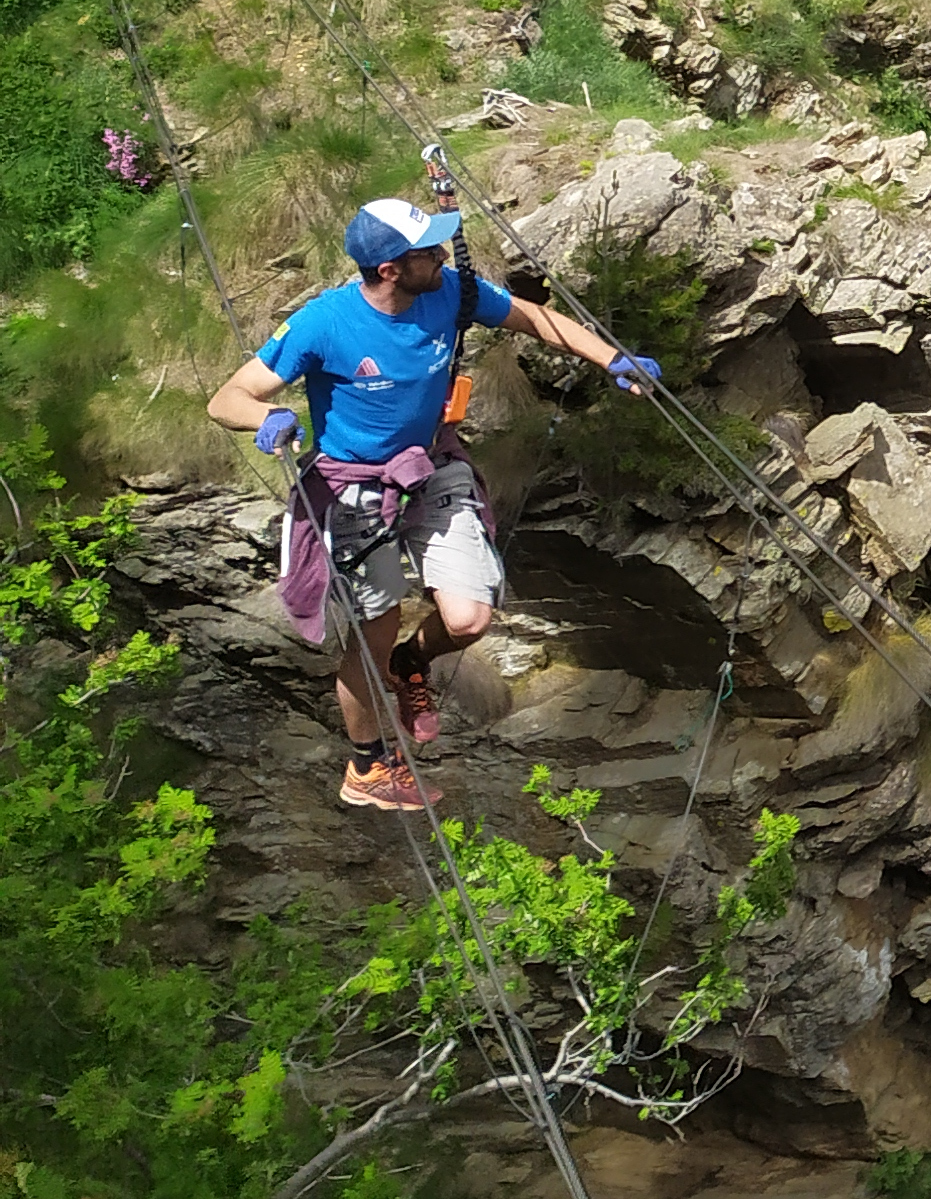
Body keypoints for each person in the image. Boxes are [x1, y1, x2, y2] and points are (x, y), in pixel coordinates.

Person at [207, 197, 658, 811]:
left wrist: (613, 360)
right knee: (372, 628)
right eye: (428, 251)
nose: (444, 257)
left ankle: (412, 664)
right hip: (354, 487)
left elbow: (532, 316)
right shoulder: (326, 323)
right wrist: (266, 417)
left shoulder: (449, 291)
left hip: (430, 466)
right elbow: (227, 397)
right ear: (390, 269)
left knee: (470, 618)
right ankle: (365, 767)